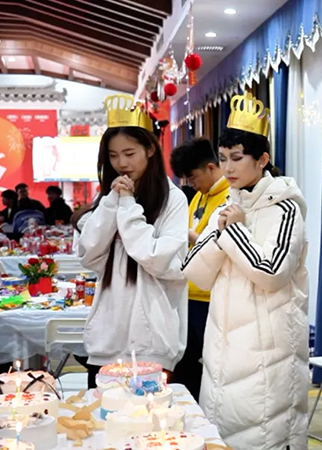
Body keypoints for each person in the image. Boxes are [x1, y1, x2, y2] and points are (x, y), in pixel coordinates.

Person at [183, 94, 308, 449]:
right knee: (220, 435)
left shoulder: (285, 209)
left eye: (237, 158)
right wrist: (223, 231)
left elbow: (272, 273)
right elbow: (196, 273)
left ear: (263, 159)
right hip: (222, 347)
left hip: (268, 353)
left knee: (265, 436)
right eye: (223, 159)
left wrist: (235, 232)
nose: (228, 168)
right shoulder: (227, 204)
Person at [72, 95, 188, 388]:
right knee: (102, 412)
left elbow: (156, 259)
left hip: (152, 340)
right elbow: (89, 254)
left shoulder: (172, 199)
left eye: (129, 153)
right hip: (106, 337)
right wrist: (112, 202)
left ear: (150, 149)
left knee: (149, 415)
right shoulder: (109, 197)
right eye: (113, 155)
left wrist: (127, 206)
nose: (121, 163)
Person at [169, 137, 230, 401]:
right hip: (188, 293)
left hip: (210, 296)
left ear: (211, 167)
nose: (191, 184)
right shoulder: (199, 197)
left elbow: (223, 243)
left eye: (193, 177)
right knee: (185, 364)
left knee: (207, 365)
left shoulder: (229, 197)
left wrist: (189, 236)